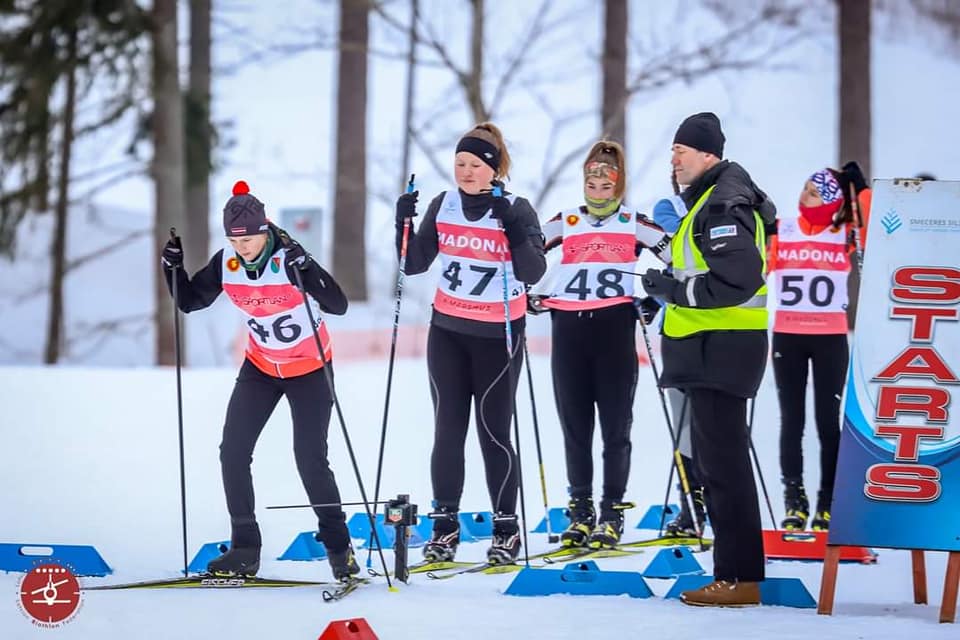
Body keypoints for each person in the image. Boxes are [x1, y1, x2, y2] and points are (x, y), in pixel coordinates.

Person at [160, 180, 359, 582]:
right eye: (234, 240)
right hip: (261, 368)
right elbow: (191, 301)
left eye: (248, 239)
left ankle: (340, 551)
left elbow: (338, 305)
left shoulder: (288, 258)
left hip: (310, 369)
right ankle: (245, 548)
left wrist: (308, 268)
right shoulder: (227, 263)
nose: (242, 247)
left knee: (310, 459)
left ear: (264, 230)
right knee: (232, 452)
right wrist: (172, 268)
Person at [395, 123, 546, 565]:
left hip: (498, 336)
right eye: (460, 163)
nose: (465, 171)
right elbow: (413, 263)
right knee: (447, 430)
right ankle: (444, 526)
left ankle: (506, 529)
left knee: (494, 432)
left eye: (475, 165)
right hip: (448, 332)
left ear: (494, 169)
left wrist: (513, 227)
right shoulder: (444, 204)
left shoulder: (516, 208)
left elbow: (533, 272)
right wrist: (403, 222)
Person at [640, 112, 774, 607]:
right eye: (673, 151)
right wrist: (663, 291)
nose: (674, 159)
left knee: (724, 469)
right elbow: (703, 274)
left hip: (721, 349)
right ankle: (735, 574)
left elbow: (739, 280)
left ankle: (738, 578)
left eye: (682, 151)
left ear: (708, 155)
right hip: (710, 348)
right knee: (718, 466)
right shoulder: (710, 200)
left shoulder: (720, 204)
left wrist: (673, 291)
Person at [534, 141, 671, 549]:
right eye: (591, 183)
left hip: (614, 331)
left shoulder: (634, 222)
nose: (597, 191)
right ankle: (580, 513)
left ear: (619, 185)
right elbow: (524, 255)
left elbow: (678, 259)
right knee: (575, 428)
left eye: (606, 184)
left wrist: (657, 298)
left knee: (615, 429)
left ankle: (611, 513)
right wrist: (533, 295)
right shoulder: (566, 221)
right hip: (569, 331)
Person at [770, 163, 871, 531]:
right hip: (788, 336)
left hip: (829, 338)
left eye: (814, 193)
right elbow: (755, 266)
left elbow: (873, 225)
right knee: (791, 421)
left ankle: (827, 502)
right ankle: (794, 501)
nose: (804, 196)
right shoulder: (783, 229)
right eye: (804, 188)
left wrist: (861, 190)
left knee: (828, 422)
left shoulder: (844, 233)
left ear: (831, 202)